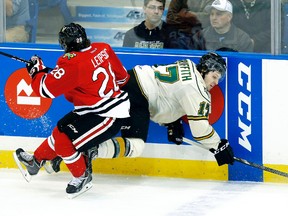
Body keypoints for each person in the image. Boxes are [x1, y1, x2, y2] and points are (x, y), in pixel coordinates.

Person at [50, 52, 235, 173]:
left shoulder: (186, 65)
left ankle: (61, 150)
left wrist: (170, 122)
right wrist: (218, 146)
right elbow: (200, 130)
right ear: (204, 70)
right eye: (214, 76)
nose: (216, 82)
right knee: (135, 145)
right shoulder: (196, 89)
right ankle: (85, 151)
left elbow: (167, 94)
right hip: (138, 98)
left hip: (131, 82)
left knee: (97, 123)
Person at [13, 22, 131, 198]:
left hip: (107, 115)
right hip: (98, 109)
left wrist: (36, 72)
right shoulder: (103, 48)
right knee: (59, 131)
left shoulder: (72, 62)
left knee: (63, 143)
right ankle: (35, 162)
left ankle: (82, 177)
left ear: (65, 44)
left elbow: (45, 90)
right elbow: (123, 79)